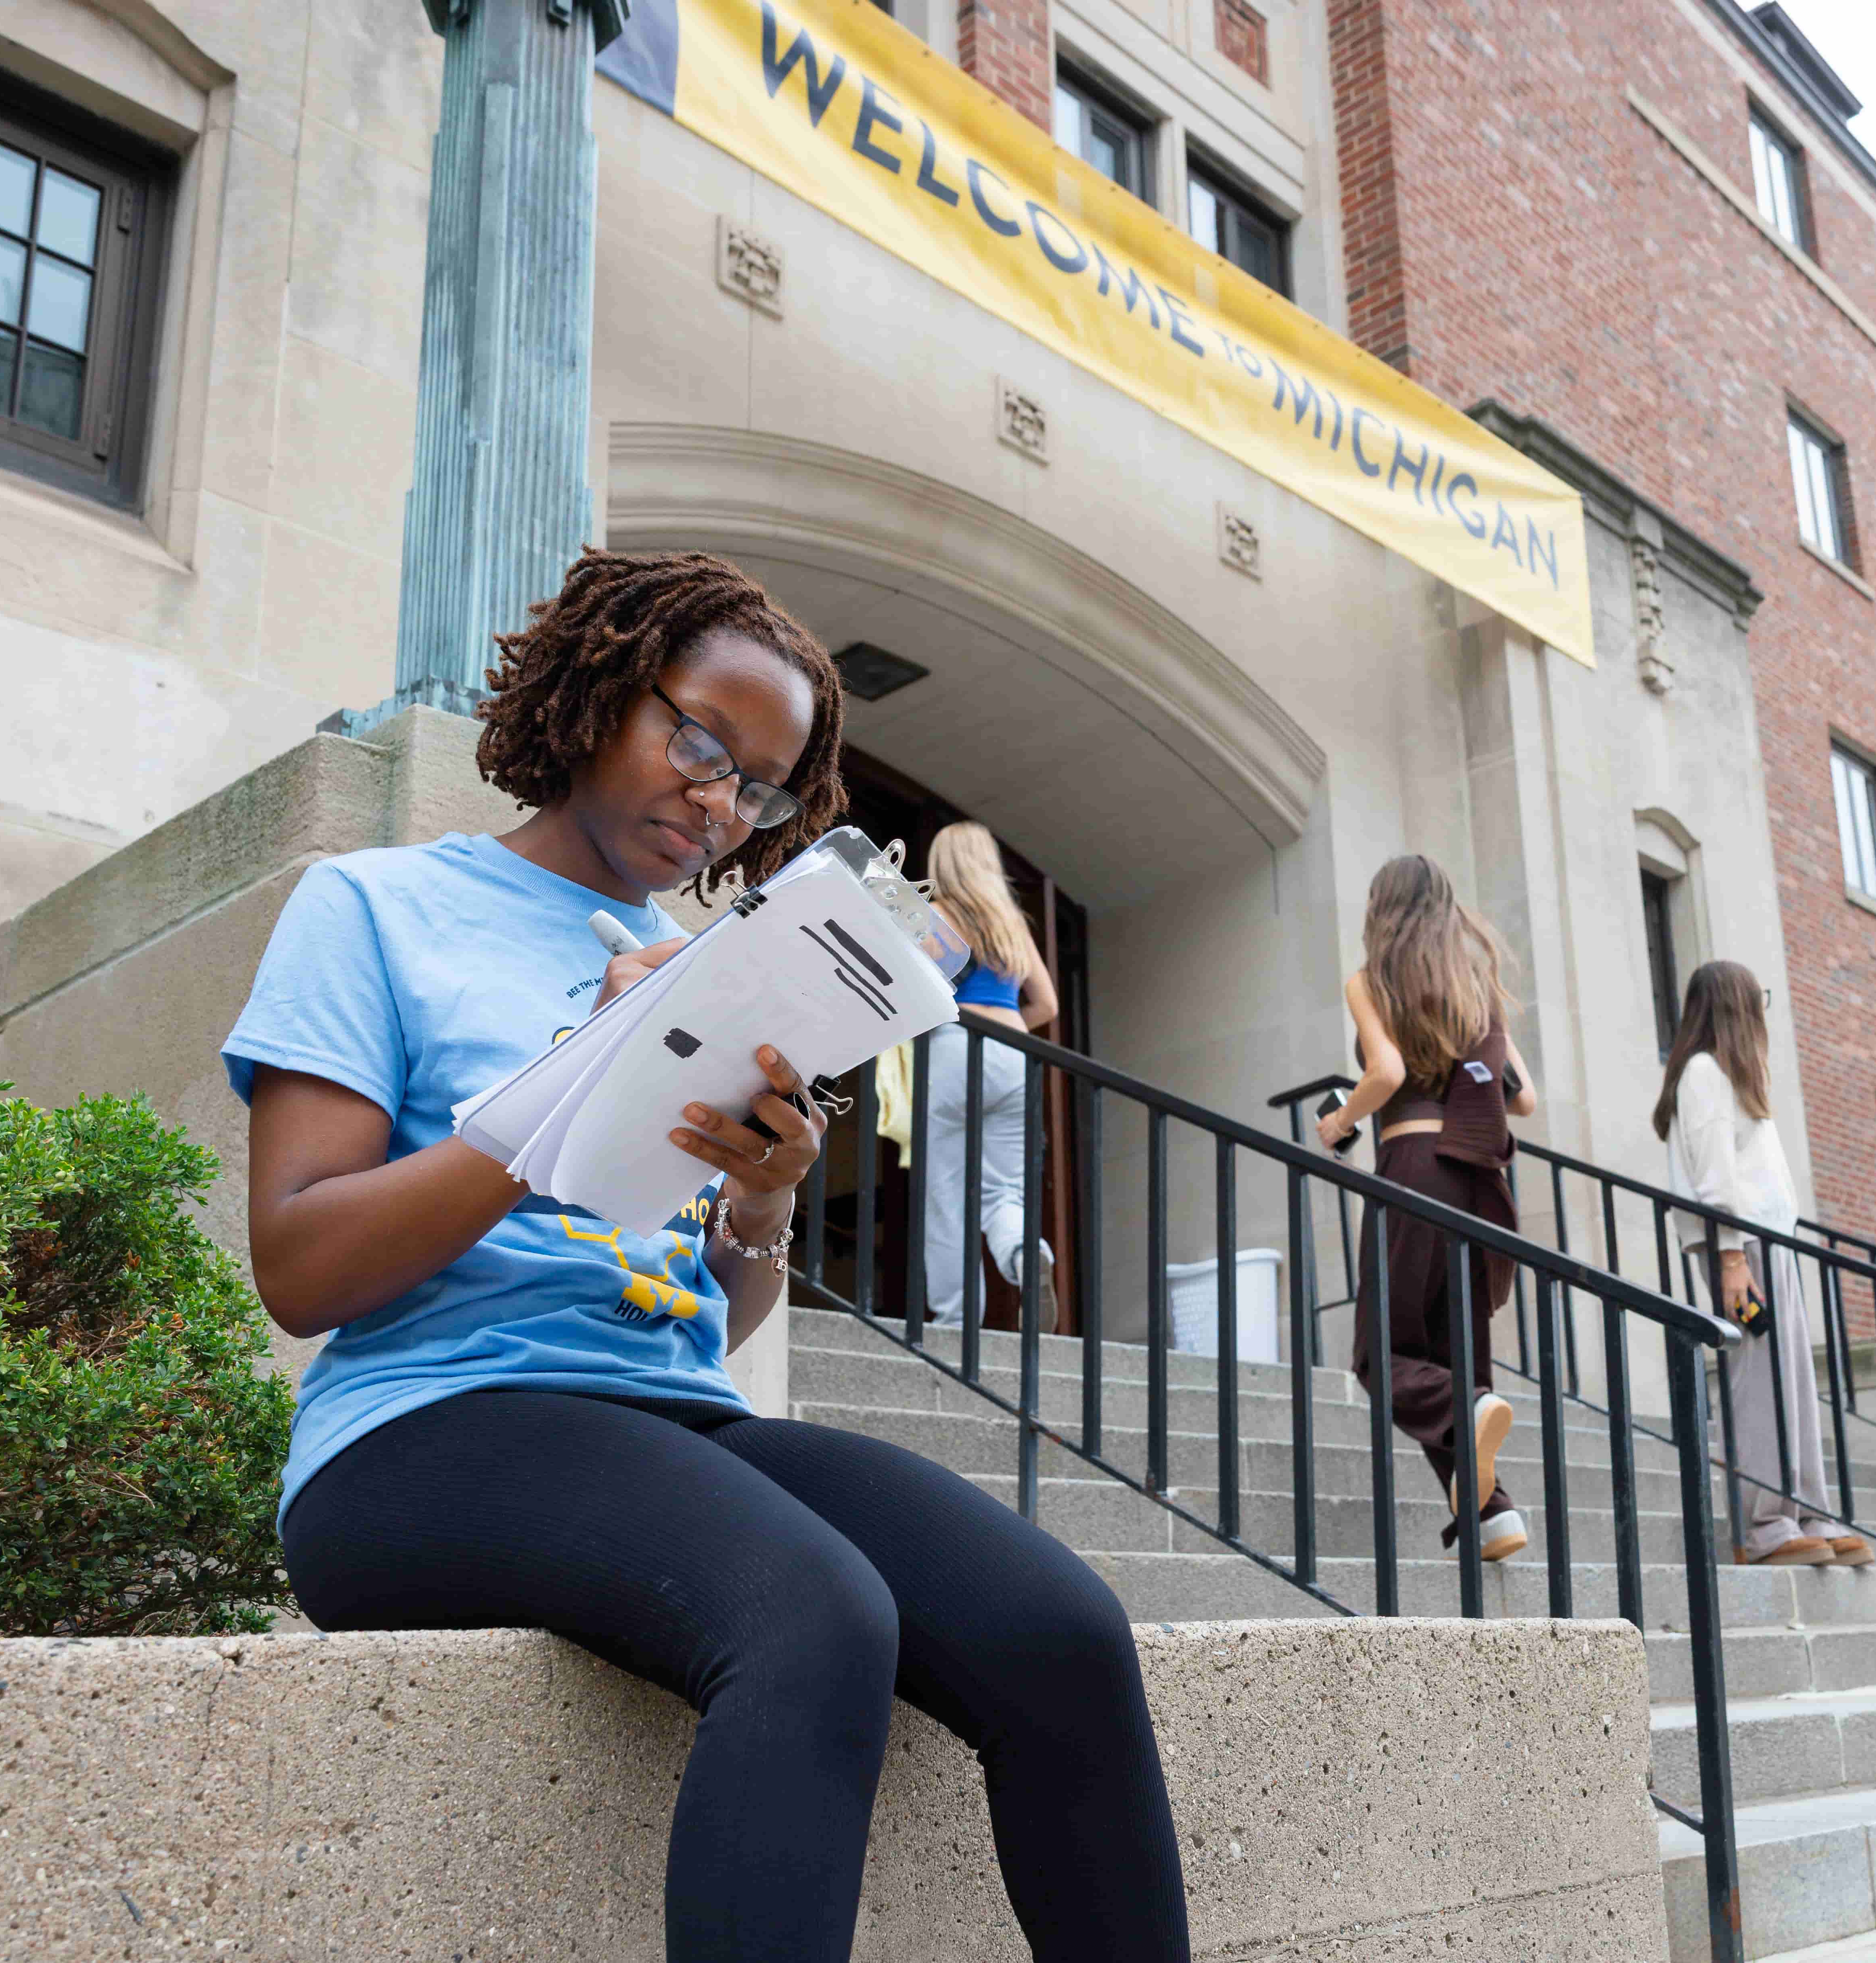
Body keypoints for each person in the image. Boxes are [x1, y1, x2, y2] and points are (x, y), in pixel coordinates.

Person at [226, 549, 1191, 1963]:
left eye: (760, 784)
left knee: (1062, 1630)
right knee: (815, 1612)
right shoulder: (375, 906)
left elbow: (704, 1323)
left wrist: (764, 1203)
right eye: (697, 740)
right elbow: (303, 1266)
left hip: (674, 1424)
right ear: (599, 692)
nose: (719, 798)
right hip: (421, 1433)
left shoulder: (699, 957)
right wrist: (585, 1072)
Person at [1314, 856, 1539, 1562]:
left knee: (1383, 1354)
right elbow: (1524, 1099)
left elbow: (1388, 1073)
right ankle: (1491, 1515)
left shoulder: (1370, 981)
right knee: (1452, 1351)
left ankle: (1468, 1411)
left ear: (1381, 909)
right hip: (1477, 1177)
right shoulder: (1476, 987)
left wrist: (1338, 1121)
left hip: (1413, 1168)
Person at [1650, 960, 1872, 1569]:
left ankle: (1804, 1510)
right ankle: (1765, 1523)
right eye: (1757, 1001)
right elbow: (1715, 1175)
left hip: (1765, 1243)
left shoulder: (1725, 1074)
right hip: (1741, 1247)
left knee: (1790, 1379)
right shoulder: (1702, 1073)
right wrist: (1728, 1255)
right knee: (1757, 1383)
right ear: (1735, 1007)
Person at [920, 819, 1061, 1331]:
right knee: (1004, 1191)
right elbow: (1046, 1004)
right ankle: (1025, 1254)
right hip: (1015, 1054)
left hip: (958, 1049)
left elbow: (912, 995)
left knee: (947, 1192)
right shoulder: (1012, 924)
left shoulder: (937, 917)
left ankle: (957, 1320)